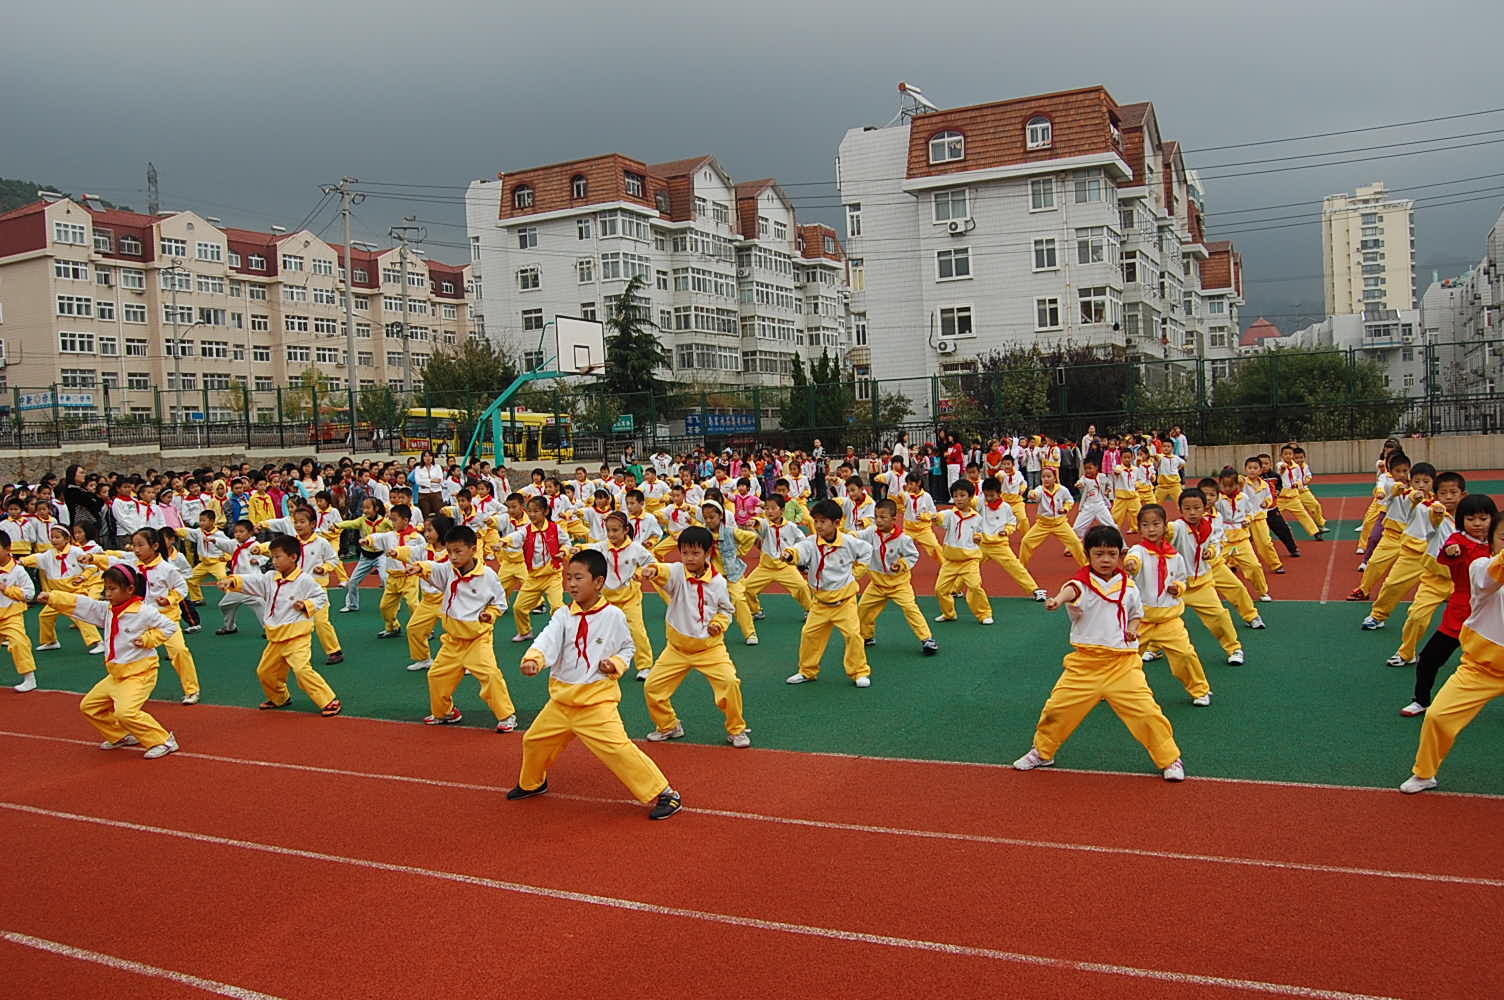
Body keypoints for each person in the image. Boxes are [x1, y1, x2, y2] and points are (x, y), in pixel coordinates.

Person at [508, 549, 682, 820]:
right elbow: (547, 638)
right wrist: (535, 658)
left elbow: (627, 647)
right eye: (568, 578)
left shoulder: (613, 615)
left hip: (596, 702)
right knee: (534, 740)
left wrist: (616, 663)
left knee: (618, 749)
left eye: (579, 578)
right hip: (562, 702)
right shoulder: (563, 615)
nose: (571, 584)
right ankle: (533, 783)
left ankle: (665, 793)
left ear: (598, 582)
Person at [1013, 524, 1186, 781]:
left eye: (1111, 554)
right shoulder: (1081, 583)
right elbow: (1070, 591)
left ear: (1120, 555)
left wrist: (1133, 630)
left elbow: (1136, 616)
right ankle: (1043, 752)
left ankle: (1170, 760)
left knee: (1147, 713)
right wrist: (1057, 601)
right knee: (1057, 710)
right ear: (1088, 554)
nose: (1105, 559)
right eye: (1099, 554)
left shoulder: (1129, 587)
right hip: (1084, 665)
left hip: (1123, 664)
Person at [1401, 510, 1504, 794]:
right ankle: (1425, 774)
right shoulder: (1482, 567)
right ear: (1492, 543)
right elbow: (1489, 577)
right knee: (1438, 717)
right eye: (1503, 538)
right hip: (1482, 669)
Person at [39, 564, 180, 758]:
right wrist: (54, 597)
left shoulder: (143, 611)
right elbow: (83, 605)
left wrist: (149, 639)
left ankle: (164, 741)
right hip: (116, 674)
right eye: (106, 588)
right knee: (89, 706)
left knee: (125, 712)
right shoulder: (108, 610)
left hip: (140, 674)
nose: (108, 593)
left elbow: (169, 626)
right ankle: (121, 735)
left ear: (130, 589)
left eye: (112, 589)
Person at [638, 525, 751, 746]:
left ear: (708, 553)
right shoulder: (678, 572)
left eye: (695, 553)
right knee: (652, 687)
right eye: (685, 553)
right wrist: (653, 570)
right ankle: (669, 725)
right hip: (677, 649)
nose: (689, 558)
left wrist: (718, 623)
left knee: (729, 683)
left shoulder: (718, 582)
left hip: (710, 649)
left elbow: (726, 609)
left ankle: (736, 729)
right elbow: (664, 571)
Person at [212, 535, 342, 717]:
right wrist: (233, 581)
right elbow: (252, 581)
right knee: (265, 672)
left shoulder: (304, 580)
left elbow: (321, 597)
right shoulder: (270, 578)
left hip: (297, 636)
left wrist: (306, 605)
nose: (274, 561)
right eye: (272, 557)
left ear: (293, 557)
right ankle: (280, 697)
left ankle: (329, 700)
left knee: (302, 670)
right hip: (275, 637)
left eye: (278, 557)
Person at [406, 525, 518, 732]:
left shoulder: (487, 575)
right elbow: (432, 567)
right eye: (449, 552)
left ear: (473, 549)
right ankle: (445, 712)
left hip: (478, 638)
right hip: (452, 640)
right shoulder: (448, 569)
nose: (453, 556)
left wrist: (490, 614)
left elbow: (500, 602)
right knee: (436, 675)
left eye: (458, 551)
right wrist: (419, 568)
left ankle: (506, 715)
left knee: (490, 675)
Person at [1399, 494, 1496, 716]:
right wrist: (1451, 550)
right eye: (1471, 519)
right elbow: (1449, 550)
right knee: (1429, 659)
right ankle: (1421, 700)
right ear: (1462, 520)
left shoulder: (1496, 542)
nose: (1478, 524)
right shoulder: (1458, 541)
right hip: (1462, 611)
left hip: (1493, 612)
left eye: (1483, 518)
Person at [92, 528, 201, 705]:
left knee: (180, 651)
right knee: (123, 652)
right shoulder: (133, 565)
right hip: (138, 618)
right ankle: (124, 691)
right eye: (134, 545)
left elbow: (181, 587)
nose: (136, 549)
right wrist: (93, 559)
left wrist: (170, 599)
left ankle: (191, 690)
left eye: (140, 545)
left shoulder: (167, 569)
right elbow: (113, 560)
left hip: (165, 619)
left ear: (155, 546)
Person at [1125, 504, 1211, 707]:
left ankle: (1200, 690)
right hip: (1140, 621)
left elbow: (1182, 579)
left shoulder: (1175, 556)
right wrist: (1131, 564)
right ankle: (1112, 687)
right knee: (1124, 656)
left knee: (1185, 655)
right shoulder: (1139, 550)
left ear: (1165, 527)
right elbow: (1133, 560)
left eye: (1156, 524)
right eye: (1145, 525)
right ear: (1139, 528)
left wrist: (1178, 588)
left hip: (1169, 619)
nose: (1151, 529)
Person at [782, 500, 874, 687]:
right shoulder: (811, 542)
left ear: (837, 523)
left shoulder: (848, 542)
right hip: (820, 603)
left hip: (845, 602)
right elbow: (799, 550)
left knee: (853, 636)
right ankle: (807, 671)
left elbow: (867, 551)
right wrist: (790, 555)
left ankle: (859, 672)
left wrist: (857, 572)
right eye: (816, 521)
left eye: (823, 522)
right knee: (809, 635)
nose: (818, 525)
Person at [571, 511, 657, 682]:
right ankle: (601, 663)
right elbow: (589, 548)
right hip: (607, 599)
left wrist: (641, 572)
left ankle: (645, 666)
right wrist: (576, 548)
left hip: (629, 598)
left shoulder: (636, 548)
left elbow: (651, 561)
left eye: (615, 530)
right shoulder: (603, 547)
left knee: (637, 631)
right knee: (601, 631)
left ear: (625, 530)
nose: (611, 535)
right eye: (608, 530)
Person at [1362, 466, 1447, 633]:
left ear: (1433, 483)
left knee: (1460, 587)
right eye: (1417, 481)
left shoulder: (1440, 502)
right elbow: (1408, 499)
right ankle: (1378, 615)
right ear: (1410, 481)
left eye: (1426, 481)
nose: (1421, 485)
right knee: (1392, 584)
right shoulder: (1407, 496)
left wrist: (1440, 511)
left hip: (1436, 554)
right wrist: (1414, 496)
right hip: (1412, 553)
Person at [855, 498, 938, 655]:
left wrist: (901, 564)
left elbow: (912, 556)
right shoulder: (871, 532)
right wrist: (843, 535)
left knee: (910, 608)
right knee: (863, 608)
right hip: (877, 585)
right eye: (876, 516)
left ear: (894, 519)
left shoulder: (903, 539)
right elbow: (856, 536)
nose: (879, 520)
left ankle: (927, 639)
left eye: (883, 517)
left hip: (899, 585)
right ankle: (867, 636)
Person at [23, 523, 105, 655]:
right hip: (57, 595)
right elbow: (35, 558)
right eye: (52, 537)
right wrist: (21, 561)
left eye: (58, 537)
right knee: (44, 616)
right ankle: (51, 641)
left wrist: (83, 577)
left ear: (67, 539)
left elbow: (92, 567)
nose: (54, 540)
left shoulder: (76, 551)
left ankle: (98, 642)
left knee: (81, 616)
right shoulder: (49, 554)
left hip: (75, 592)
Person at [1348, 454, 1416, 601]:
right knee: (1374, 563)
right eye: (1398, 471)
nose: (1402, 474)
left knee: (1433, 563)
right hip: (1392, 535)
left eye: (1405, 471)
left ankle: (1446, 589)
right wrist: (1382, 492)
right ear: (1391, 472)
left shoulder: (1415, 484)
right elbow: (1386, 490)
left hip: (1413, 536)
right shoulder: (1389, 483)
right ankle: (1363, 590)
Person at [500, 496, 567, 644]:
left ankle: (565, 633)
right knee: (519, 607)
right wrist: (503, 541)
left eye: (536, 511)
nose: (532, 514)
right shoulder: (526, 530)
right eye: (529, 511)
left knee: (557, 606)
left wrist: (564, 551)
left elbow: (565, 542)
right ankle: (525, 632)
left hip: (552, 575)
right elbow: (515, 537)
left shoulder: (555, 528)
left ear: (546, 511)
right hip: (533, 577)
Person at [932, 480, 994, 625]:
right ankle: (949, 613)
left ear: (970, 497)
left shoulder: (977, 518)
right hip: (950, 561)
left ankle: (984, 614)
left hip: (969, 560)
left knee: (974, 586)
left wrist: (980, 538)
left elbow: (982, 534)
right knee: (940, 589)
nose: (958, 499)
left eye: (962, 495)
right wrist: (935, 518)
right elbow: (940, 517)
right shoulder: (949, 514)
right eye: (955, 496)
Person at [742, 495, 813, 620]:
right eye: (767, 508)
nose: (769, 511)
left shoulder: (791, 527)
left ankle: (810, 610)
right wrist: (754, 522)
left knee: (802, 586)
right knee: (747, 588)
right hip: (765, 567)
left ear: (782, 510)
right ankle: (756, 611)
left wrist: (797, 552)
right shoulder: (765, 525)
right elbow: (759, 523)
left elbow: (802, 540)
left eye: (773, 508)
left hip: (785, 567)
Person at [978, 477, 1045, 601]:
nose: (989, 498)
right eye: (986, 495)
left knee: (1016, 567)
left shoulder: (1005, 507)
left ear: (999, 493)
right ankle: (955, 589)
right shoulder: (980, 504)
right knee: (968, 566)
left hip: (1000, 545)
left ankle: (1035, 589)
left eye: (992, 495)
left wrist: (1007, 531)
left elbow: (1011, 523)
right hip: (981, 544)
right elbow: (969, 503)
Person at [1020, 467, 1087, 568]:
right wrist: (1032, 494)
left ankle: (1086, 566)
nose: (1046, 479)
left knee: (1075, 543)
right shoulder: (1040, 490)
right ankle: (1021, 566)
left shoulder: (1062, 490)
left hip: (1060, 523)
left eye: (1048, 476)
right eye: (1043, 477)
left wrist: (1065, 508)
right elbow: (1035, 494)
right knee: (1026, 541)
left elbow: (1069, 500)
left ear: (1055, 478)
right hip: (1043, 524)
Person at [337, 497, 392, 612]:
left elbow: (395, 529)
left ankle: (392, 605)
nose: (365, 510)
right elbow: (351, 523)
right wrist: (338, 525)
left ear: (376, 509)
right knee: (352, 581)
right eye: (363, 508)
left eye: (368, 508)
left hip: (380, 555)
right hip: (365, 557)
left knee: (385, 578)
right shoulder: (362, 520)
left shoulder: (384, 521)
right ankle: (352, 605)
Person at [0, 535, 39, 691]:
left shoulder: (18, 570)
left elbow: (30, 593)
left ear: (8, 549)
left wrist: (7, 590)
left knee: (19, 643)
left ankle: (29, 678)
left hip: (11, 615)